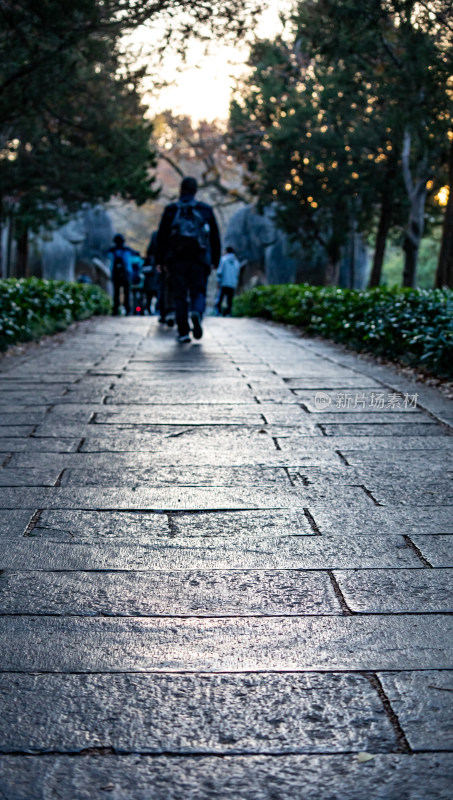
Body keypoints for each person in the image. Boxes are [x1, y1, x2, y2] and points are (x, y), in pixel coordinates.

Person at [155, 176, 221, 342]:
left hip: (176, 260)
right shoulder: (205, 210)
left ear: (180, 190)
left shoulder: (171, 210)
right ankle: (196, 312)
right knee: (198, 291)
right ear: (195, 190)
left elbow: (161, 237)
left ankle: (183, 332)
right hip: (199, 258)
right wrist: (215, 259)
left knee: (180, 295)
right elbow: (214, 236)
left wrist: (159, 261)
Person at [108, 234, 132, 316]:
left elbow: (110, 264)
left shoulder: (112, 251)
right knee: (127, 293)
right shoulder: (127, 250)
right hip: (126, 275)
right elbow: (128, 264)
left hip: (115, 275)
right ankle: (127, 309)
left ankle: (115, 309)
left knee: (116, 293)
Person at [216, 246, 241, 316]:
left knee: (220, 298)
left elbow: (220, 272)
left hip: (224, 282)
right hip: (232, 284)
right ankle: (228, 313)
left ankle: (218, 312)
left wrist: (218, 281)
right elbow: (237, 274)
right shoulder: (236, 262)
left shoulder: (223, 260)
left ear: (227, 251)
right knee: (229, 299)